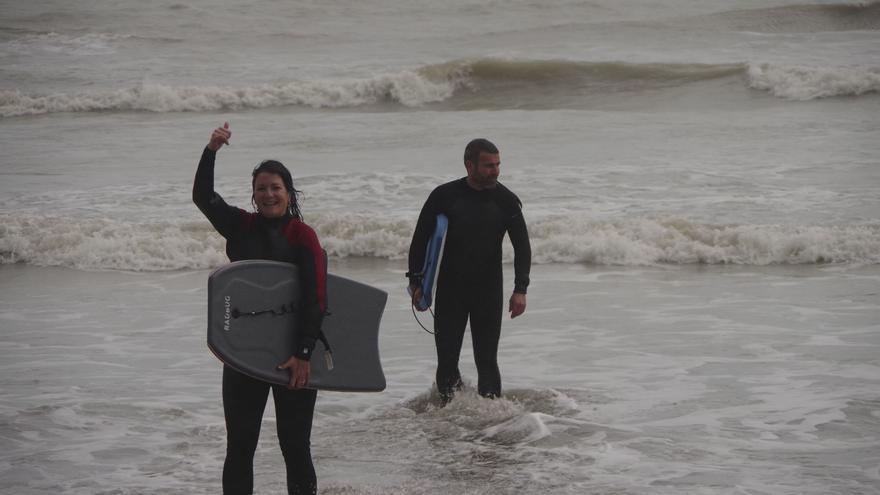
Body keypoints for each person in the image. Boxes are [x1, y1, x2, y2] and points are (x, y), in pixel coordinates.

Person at [193, 122, 326, 495]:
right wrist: (211, 150)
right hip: (244, 356)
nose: (269, 195)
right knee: (240, 447)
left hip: (293, 356)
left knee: (295, 446)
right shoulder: (241, 226)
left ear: (288, 192)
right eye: (261, 189)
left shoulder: (302, 235)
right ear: (253, 195)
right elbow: (203, 196)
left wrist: (303, 353)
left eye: (275, 188)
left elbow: (317, 296)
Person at [407, 138, 531, 404]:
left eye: (498, 164)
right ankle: (450, 421)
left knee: (487, 360)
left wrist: (520, 289)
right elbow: (420, 240)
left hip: (488, 290)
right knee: (447, 360)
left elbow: (523, 247)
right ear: (469, 165)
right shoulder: (444, 196)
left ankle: (491, 421)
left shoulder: (506, 201)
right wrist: (416, 282)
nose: (495, 170)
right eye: (488, 165)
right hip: (451, 290)